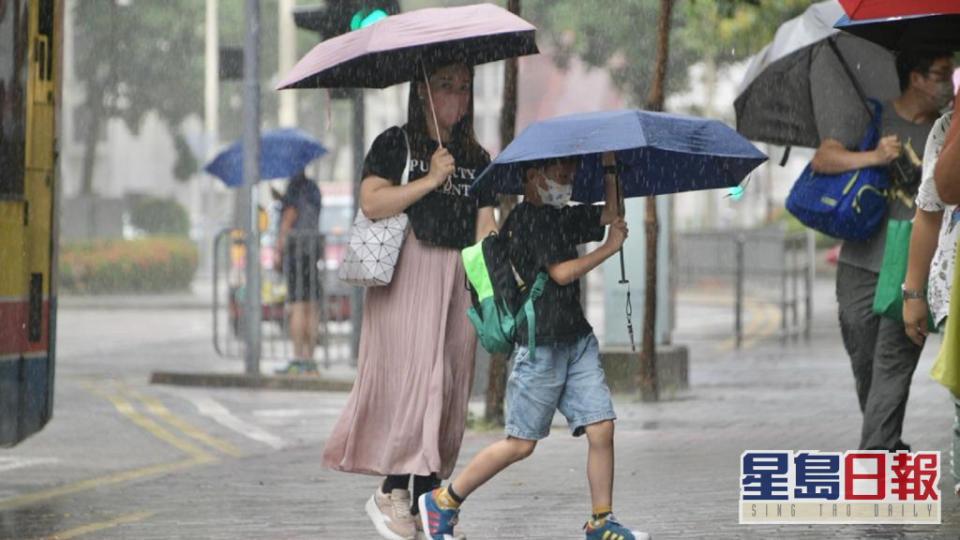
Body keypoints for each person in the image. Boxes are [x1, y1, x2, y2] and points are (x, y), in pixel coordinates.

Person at [418, 155, 647, 540]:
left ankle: (601, 522)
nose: (567, 180)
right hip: (540, 348)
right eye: (559, 173)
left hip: (576, 340)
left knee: (601, 427)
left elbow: (611, 212)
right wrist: (610, 249)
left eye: (571, 172)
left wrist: (609, 168)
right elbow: (561, 272)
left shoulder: (560, 215)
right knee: (521, 444)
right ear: (532, 175)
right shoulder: (525, 222)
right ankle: (443, 500)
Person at [321, 61, 498, 540]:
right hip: (408, 273)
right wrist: (428, 179)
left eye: (464, 88)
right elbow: (372, 202)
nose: (456, 98)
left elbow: (484, 228)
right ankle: (391, 488)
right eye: (446, 86)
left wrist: (493, 283)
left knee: (448, 386)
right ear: (421, 91)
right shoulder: (395, 142)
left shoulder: (478, 157)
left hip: (457, 274)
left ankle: (428, 500)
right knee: (417, 380)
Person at [810, 50, 954, 451]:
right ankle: (885, 441)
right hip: (859, 256)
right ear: (916, 77)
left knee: (892, 364)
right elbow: (823, 159)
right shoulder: (874, 117)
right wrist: (874, 156)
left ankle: (875, 454)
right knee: (865, 364)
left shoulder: (948, 129)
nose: (947, 84)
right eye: (941, 74)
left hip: (910, 259)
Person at [275, 170, 323, 375]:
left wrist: (278, 249)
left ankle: (297, 358)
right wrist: (280, 199)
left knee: (296, 306)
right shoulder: (313, 188)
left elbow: (289, 217)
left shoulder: (293, 189)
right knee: (311, 305)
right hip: (311, 250)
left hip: (295, 251)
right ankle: (310, 359)